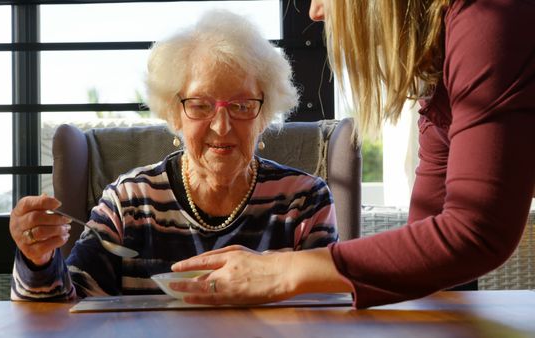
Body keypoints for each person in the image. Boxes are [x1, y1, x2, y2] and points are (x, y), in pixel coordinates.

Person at [170, 0, 535, 308]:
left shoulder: (489, 18)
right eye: (200, 106)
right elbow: (433, 258)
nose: (313, 11)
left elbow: (475, 232)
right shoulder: (441, 74)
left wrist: (285, 272)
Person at [8, 10, 338, 300]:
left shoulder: (305, 201)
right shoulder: (130, 202)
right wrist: (37, 259)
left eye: (241, 105)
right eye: (200, 105)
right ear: (174, 114)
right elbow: (70, 305)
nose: (222, 127)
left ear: (265, 114)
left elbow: (330, 311)